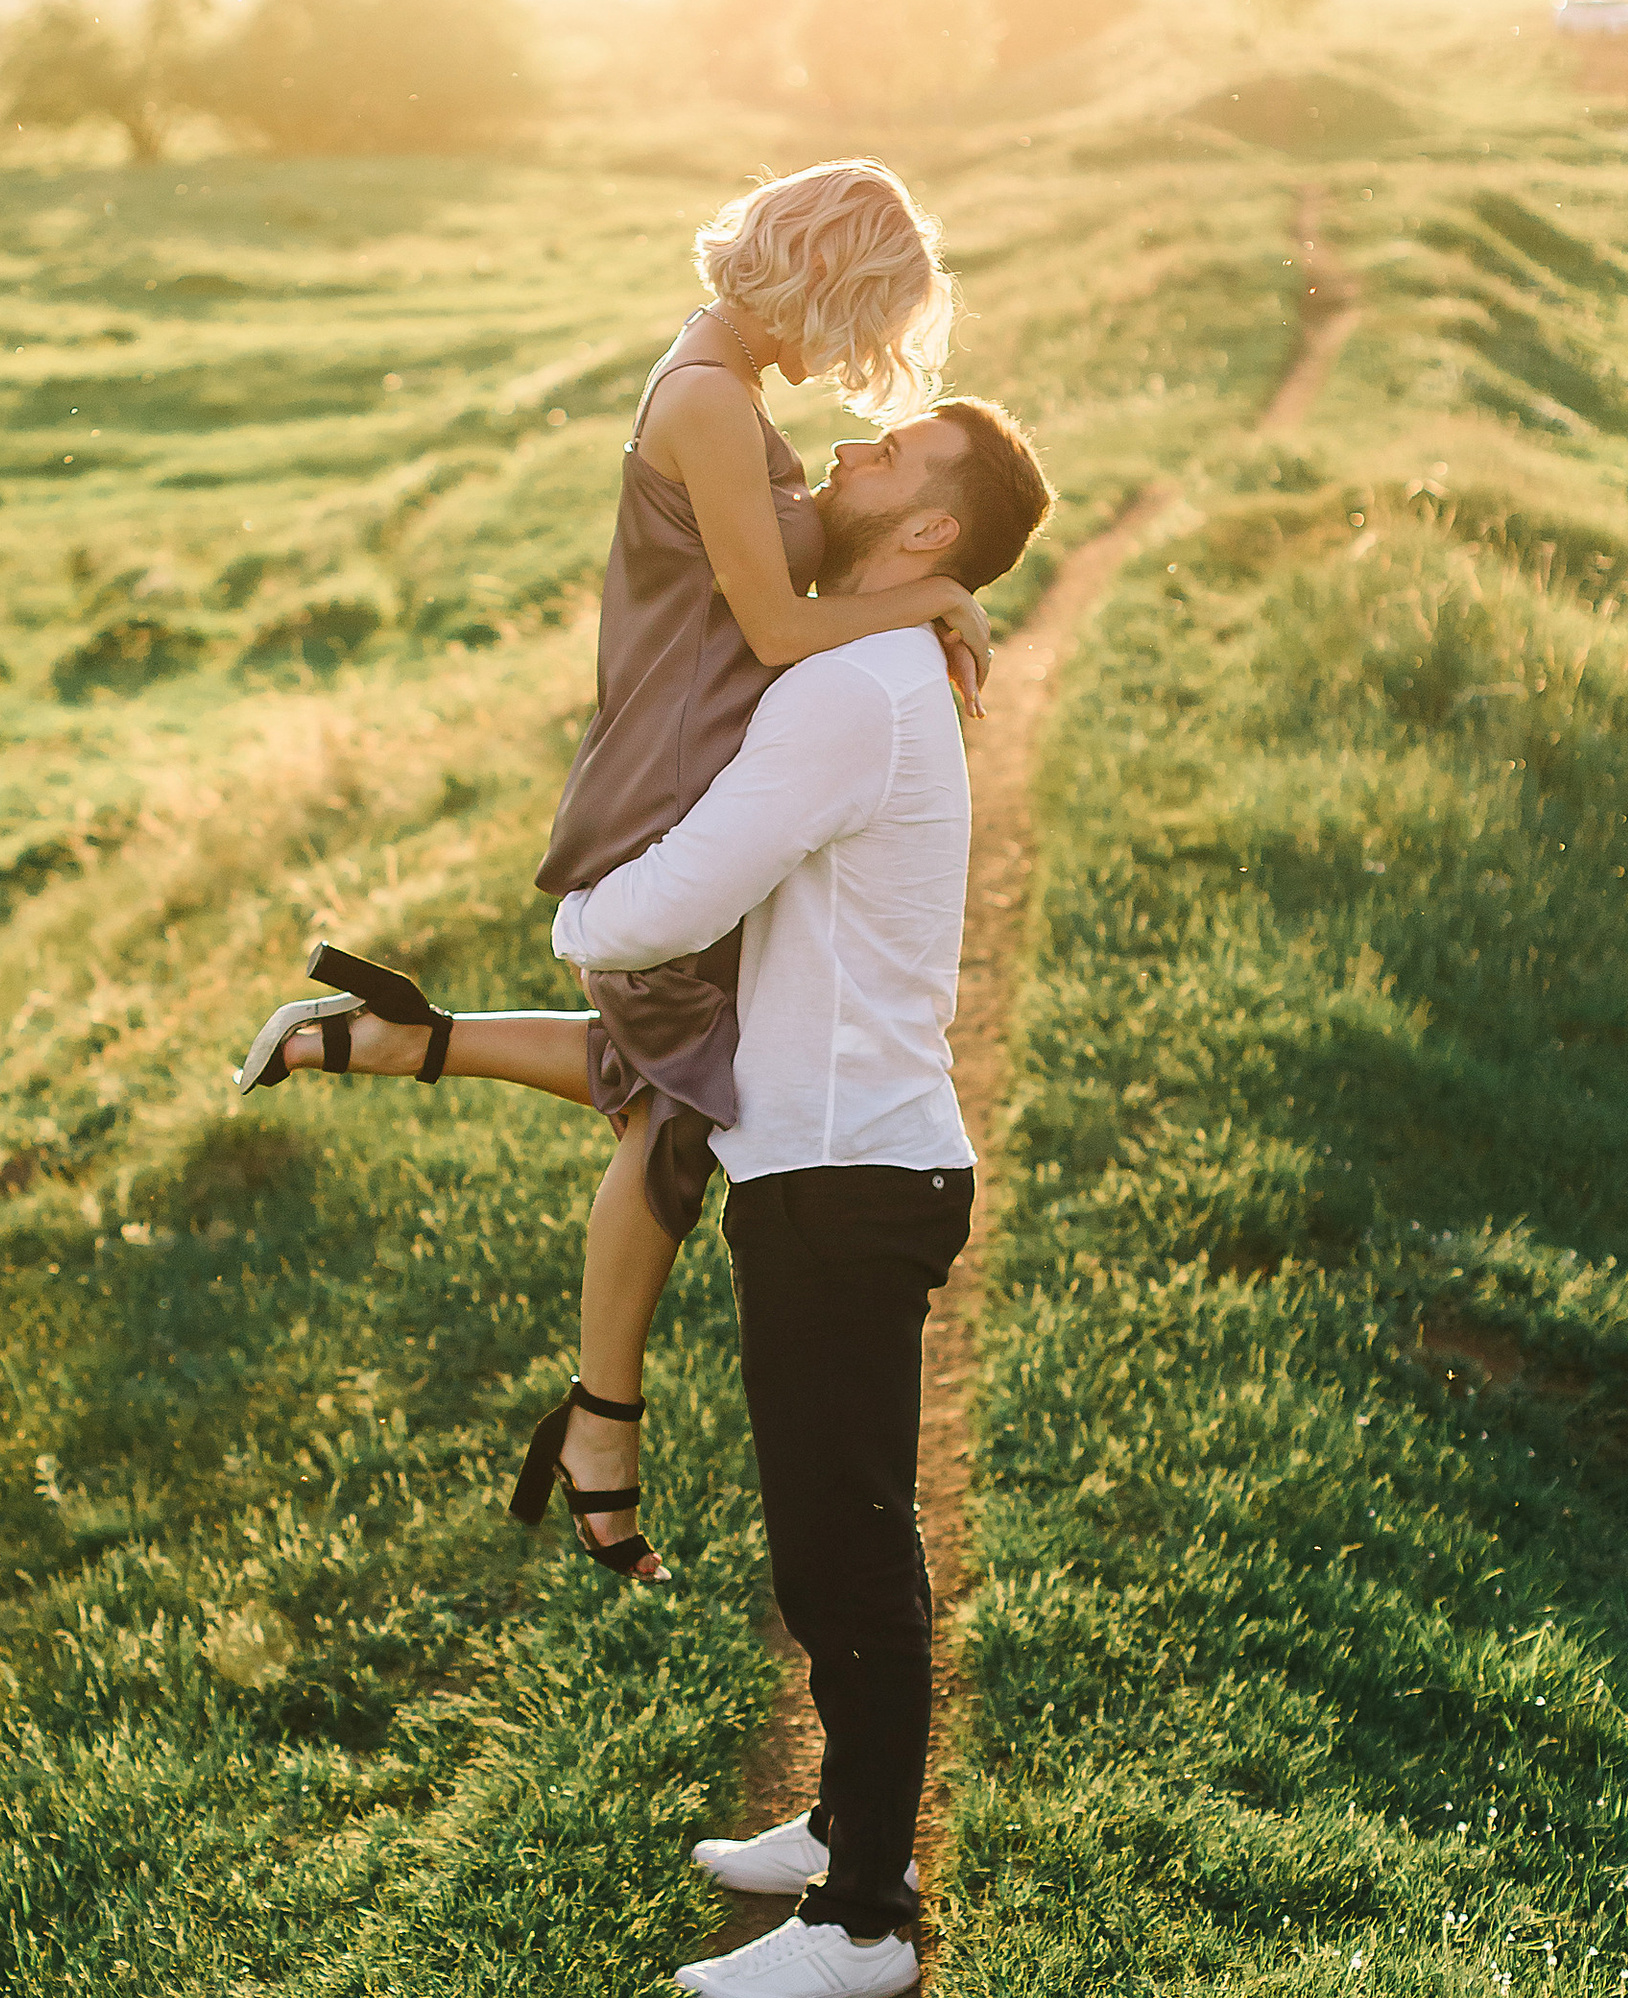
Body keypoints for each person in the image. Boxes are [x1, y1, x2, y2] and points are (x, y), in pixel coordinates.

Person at [234, 163, 1040, 1581]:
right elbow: (783, 631)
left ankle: (391, 1049)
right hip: (672, 776)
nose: (857, 363)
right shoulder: (710, 403)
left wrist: (926, 601)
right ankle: (601, 1423)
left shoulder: (727, 385)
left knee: (667, 1081)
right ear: (827, 283)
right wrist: (941, 596)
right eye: (864, 319)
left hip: (695, 755)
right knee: (677, 1109)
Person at [554, 400, 1053, 1998]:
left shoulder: (849, 689)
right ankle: (846, 1823)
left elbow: (688, 893)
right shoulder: (872, 667)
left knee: (845, 1556)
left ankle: (864, 1923)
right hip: (839, 1163)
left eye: (889, 456)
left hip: (846, 1178)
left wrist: (583, 919)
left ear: (927, 537)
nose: (848, 453)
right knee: (829, 1541)